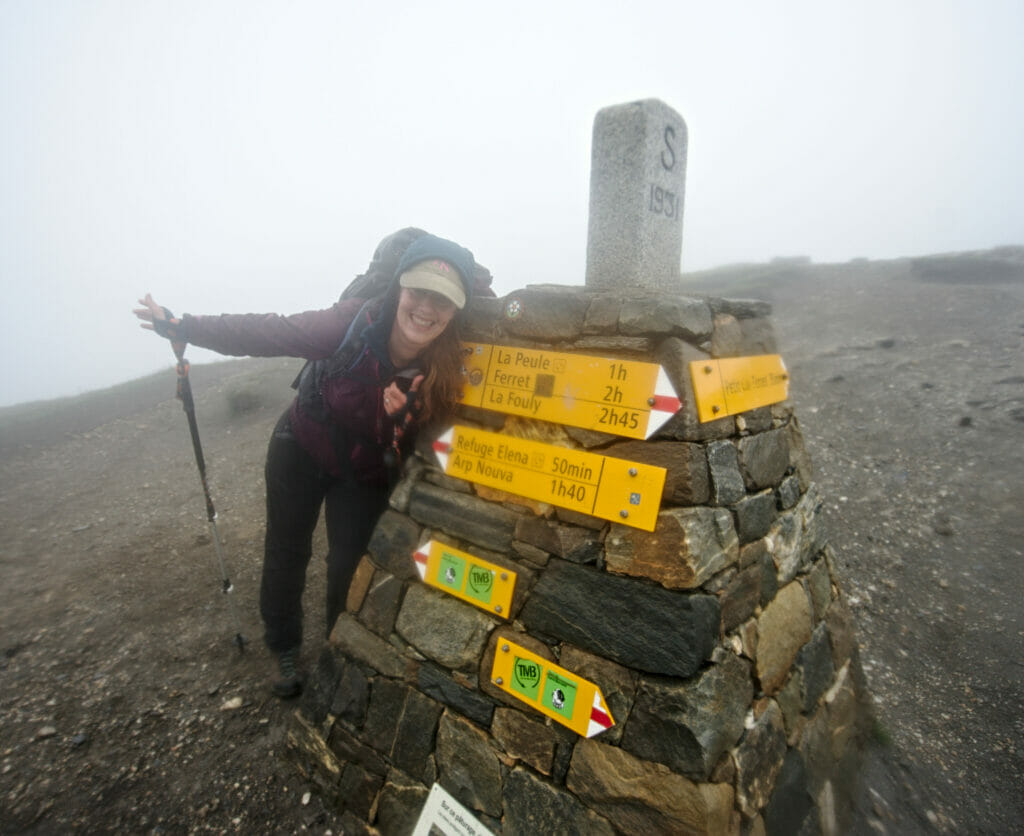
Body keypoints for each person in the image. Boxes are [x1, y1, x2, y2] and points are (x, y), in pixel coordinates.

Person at [133, 232, 478, 697]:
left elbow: (433, 444)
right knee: (287, 549)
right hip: (300, 445)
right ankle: (284, 647)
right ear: (398, 288)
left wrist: (405, 421)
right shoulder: (349, 323)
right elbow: (271, 331)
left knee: (347, 566)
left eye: (442, 300)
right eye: (418, 291)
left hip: (362, 471)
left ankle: (338, 647)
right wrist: (184, 326)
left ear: (456, 310)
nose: (426, 308)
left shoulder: (450, 365)